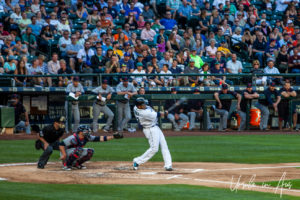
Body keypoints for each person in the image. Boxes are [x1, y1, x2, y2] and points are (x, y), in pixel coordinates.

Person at [133, 97, 173, 171]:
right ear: (139, 106)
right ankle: (137, 161)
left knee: (164, 145)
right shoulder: (144, 113)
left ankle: (168, 165)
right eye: (143, 104)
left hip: (155, 127)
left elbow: (151, 110)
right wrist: (164, 113)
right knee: (154, 148)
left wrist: (163, 112)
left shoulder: (136, 107)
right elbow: (157, 114)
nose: (145, 105)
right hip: (150, 129)